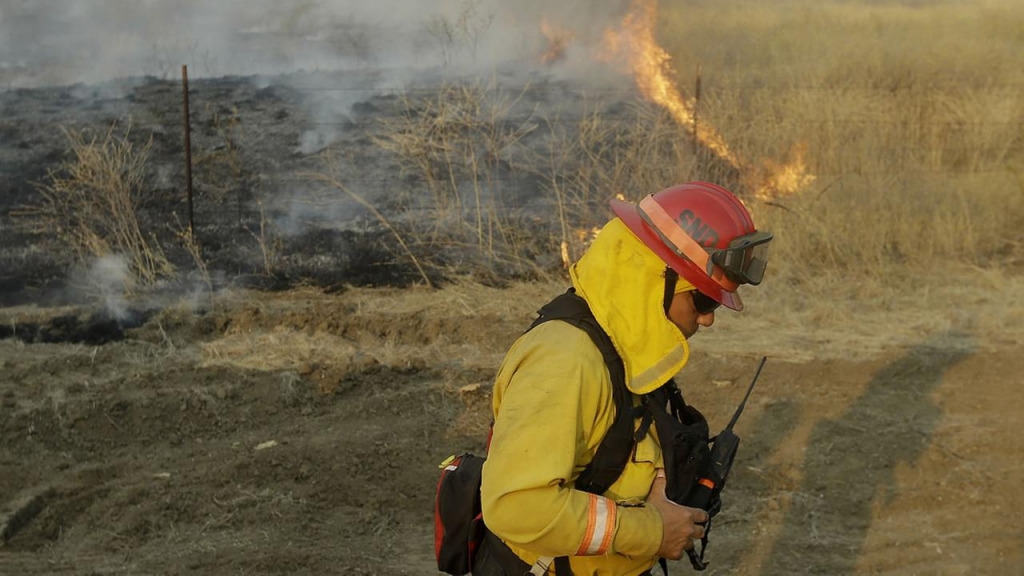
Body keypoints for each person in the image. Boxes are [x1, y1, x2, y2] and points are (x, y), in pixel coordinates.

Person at [475, 181, 772, 575]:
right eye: (702, 299)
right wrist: (651, 530)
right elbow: (516, 507)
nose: (708, 318)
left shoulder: (628, 348)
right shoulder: (567, 361)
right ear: (653, 279)